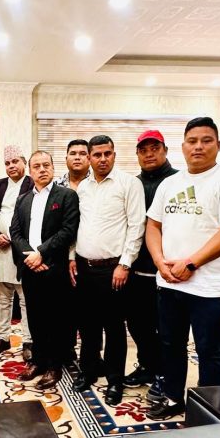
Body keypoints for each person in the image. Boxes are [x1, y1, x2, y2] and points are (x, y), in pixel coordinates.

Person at [146, 117, 220, 419]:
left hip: (208, 286)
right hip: (168, 281)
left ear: (218, 145)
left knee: (209, 349)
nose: (198, 147)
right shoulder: (170, 183)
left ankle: (209, 407)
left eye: (206, 141)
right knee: (170, 344)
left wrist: (191, 263)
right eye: (192, 141)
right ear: (183, 146)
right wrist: (159, 261)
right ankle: (172, 397)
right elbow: (153, 226)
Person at [71, 135, 145, 406]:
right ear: (89, 158)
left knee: (114, 327)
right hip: (84, 266)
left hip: (114, 269)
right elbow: (77, 226)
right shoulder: (83, 187)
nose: (102, 159)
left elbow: (137, 226)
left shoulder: (129, 184)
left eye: (107, 154)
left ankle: (115, 380)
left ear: (114, 154)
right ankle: (89, 370)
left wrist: (125, 264)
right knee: (87, 324)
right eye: (97, 155)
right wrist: (71, 257)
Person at [10, 151, 80, 389]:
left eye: (46, 165)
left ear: (53, 167)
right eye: (37, 166)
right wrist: (30, 256)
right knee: (35, 317)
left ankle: (54, 365)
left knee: (56, 319)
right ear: (30, 171)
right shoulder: (23, 199)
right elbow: (15, 232)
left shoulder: (67, 195)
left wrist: (41, 252)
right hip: (30, 267)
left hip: (54, 267)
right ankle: (38, 361)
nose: (42, 169)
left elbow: (68, 230)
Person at [124, 130, 178, 404]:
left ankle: (165, 375)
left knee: (165, 328)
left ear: (165, 150)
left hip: (167, 268)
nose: (149, 154)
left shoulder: (178, 181)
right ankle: (147, 366)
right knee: (137, 324)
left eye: (154, 149)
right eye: (143, 150)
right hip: (136, 267)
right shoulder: (132, 184)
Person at [0, 145, 34, 360]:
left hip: (23, 251)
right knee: (2, 298)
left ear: (24, 162)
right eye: (7, 163)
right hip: (0, 250)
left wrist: (16, 240)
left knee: (25, 299)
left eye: (15, 161)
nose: (11, 166)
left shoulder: (32, 184)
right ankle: (3, 337)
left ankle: (29, 341)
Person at [55, 138, 91, 364]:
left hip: (89, 254)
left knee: (89, 310)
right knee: (64, 307)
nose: (77, 157)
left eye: (82, 153)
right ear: (66, 158)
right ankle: (66, 352)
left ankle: (91, 356)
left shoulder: (97, 183)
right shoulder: (56, 185)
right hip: (60, 255)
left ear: (89, 158)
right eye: (73, 153)